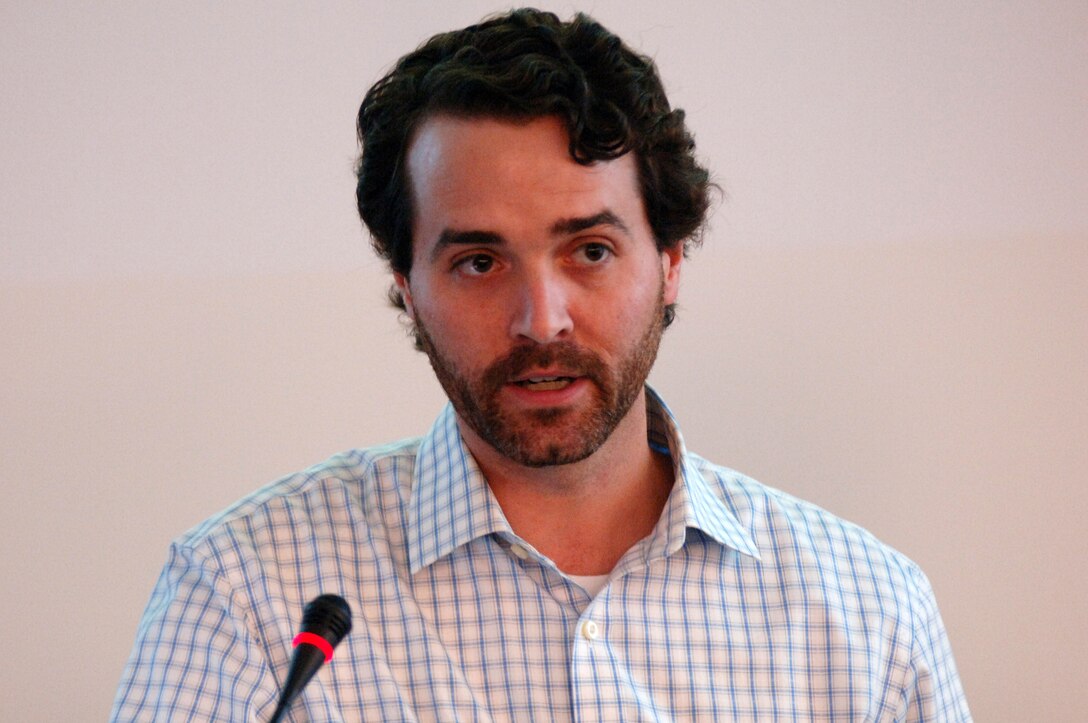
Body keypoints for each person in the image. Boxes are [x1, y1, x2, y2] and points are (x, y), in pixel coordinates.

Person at [112, 8, 971, 721]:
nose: (540, 319)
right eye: (479, 262)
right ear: (407, 287)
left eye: (590, 250)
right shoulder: (245, 593)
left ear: (671, 258)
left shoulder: (870, 613)